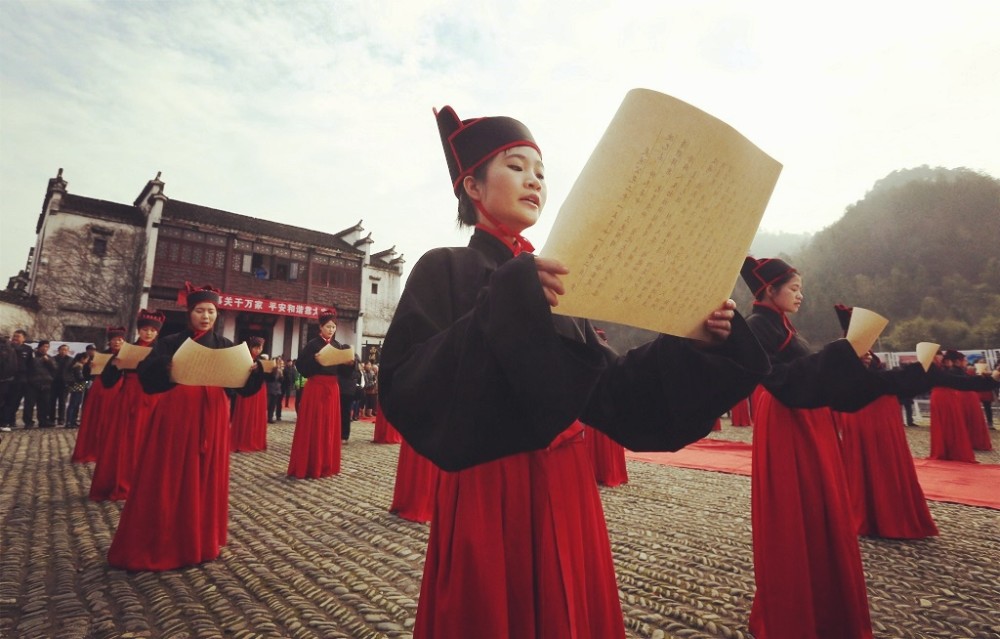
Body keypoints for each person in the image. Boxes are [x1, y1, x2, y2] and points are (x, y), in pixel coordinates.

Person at [378, 105, 769, 638]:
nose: (534, 181)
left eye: (540, 172)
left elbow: (609, 392)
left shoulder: (558, 281)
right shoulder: (445, 267)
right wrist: (507, 302)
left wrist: (693, 341)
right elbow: (409, 383)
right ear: (472, 184)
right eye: (516, 167)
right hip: (493, 492)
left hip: (569, 488)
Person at [107, 283, 263, 571]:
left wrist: (254, 370)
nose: (206, 316)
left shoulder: (226, 345)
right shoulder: (169, 342)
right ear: (190, 312)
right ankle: (166, 537)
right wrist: (167, 366)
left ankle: (201, 539)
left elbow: (244, 389)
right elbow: (148, 379)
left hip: (214, 414)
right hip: (177, 414)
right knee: (170, 472)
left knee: (206, 473)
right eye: (200, 311)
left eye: (211, 311)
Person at [830, 304, 937, 539]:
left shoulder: (868, 354)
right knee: (874, 463)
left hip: (883, 414)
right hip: (863, 414)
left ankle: (892, 514)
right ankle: (874, 517)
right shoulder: (842, 353)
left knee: (888, 462)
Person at [89, 309, 164, 501]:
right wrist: (115, 365)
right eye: (145, 329)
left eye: (153, 331)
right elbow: (107, 381)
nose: (149, 333)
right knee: (124, 442)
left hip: (154, 400)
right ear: (139, 330)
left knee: (151, 443)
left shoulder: (162, 350)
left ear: (157, 332)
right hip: (128, 399)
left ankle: (147, 485)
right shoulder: (125, 349)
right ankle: (120, 481)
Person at [288, 307, 355, 478]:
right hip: (316, 387)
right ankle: (310, 464)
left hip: (332, 388)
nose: (331, 330)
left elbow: (345, 374)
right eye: (328, 327)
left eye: (333, 327)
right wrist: (316, 360)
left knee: (329, 426)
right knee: (314, 424)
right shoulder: (312, 345)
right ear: (320, 327)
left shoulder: (337, 345)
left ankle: (326, 464)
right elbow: (301, 367)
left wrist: (349, 364)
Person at [71, 328, 126, 463]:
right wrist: (90, 367)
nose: (117, 342)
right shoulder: (101, 355)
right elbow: (87, 375)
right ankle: (94, 449)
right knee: (98, 418)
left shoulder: (128, 355)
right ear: (109, 341)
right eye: (114, 339)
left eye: (120, 339)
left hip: (120, 389)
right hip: (101, 389)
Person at [231, 338, 269, 452]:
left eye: (260, 348)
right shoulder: (244, 358)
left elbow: (265, 377)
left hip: (260, 390)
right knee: (245, 413)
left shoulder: (260, 361)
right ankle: (242, 440)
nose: (258, 350)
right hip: (246, 389)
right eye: (256, 347)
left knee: (257, 414)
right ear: (251, 347)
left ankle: (255, 439)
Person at [2, 329, 34, 429]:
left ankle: (11, 420)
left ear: (24, 338)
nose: (15, 338)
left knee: (15, 401)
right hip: (8, 378)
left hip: (21, 379)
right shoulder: (7, 347)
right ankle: (6, 421)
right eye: (14, 336)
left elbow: (31, 365)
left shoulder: (28, 349)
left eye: (18, 336)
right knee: (6, 401)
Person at [26, 340, 57, 427]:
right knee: (29, 404)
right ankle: (28, 422)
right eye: (43, 346)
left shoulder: (50, 357)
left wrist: (48, 361)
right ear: (39, 347)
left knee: (44, 404)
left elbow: (55, 368)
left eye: (47, 347)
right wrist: (40, 360)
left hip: (46, 384)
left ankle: (43, 421)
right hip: (33, 383)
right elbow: (30, 366)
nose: (45, 348)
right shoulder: (32, 356)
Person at [64, 353, 89, 428]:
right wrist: (87, 381)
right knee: (74, 404)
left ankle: (73, 421)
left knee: (77, 404)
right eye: (86, 359)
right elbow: (80, 378)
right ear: (82, 359)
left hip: (78, 385)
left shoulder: (78, 365)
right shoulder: (78, 366)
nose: (87, 361)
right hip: (77, 385)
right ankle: (69, 421)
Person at [51, 343, 73, 426]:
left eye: (65, 350)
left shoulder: (71, 360)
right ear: (58, 350)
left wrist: (69, 381)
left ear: (68, 351)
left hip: (65, 384)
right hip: (54, 383)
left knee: (62, 402)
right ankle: (51, 418)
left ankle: (61, 419)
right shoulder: (53, 359)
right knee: (52, 401)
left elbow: (72, 372)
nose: (64, 351)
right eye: (62, 349)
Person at [267, 356, 285, 423]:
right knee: (268, 404)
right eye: (278, 361)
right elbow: (271, 378)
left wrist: (281, 374)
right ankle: (267, 416)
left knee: (273, 404)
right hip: (270, 388)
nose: (279, 362)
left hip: (277, 389)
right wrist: (275, 371)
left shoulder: (280, 370)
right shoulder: (270, 369)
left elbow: (281, 380)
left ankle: (270, 417)